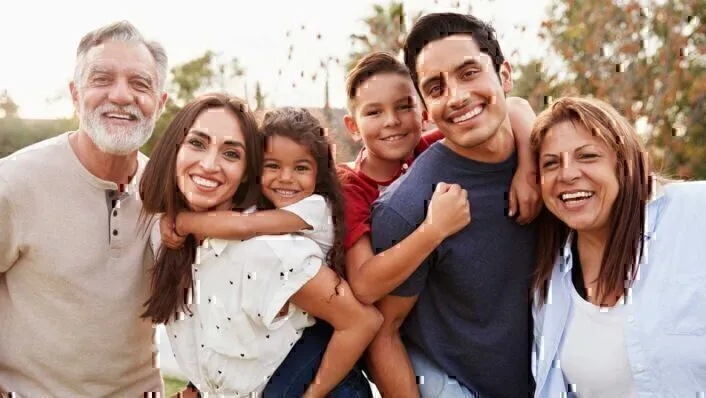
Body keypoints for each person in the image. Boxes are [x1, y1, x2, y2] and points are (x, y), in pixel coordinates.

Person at [140, 95, 382, 397]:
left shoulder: (270, 251)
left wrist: (183, 221)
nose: (210, 164)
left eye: (230, 153)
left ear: (247, 172)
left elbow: (363, 321)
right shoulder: (162, 236)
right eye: (198, 143)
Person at [367, 13, 538, 398]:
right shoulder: (410, 208)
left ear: (504, 75)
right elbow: (383, 331)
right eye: (436, 87)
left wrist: (530, 166)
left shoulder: (553, 163)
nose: (458, 96)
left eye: (468, 73)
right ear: (426, 108)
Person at [0, 21, 168, 396]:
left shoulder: (167, 193)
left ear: (160, 103)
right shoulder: (13, 183)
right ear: (76, 95)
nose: (122, 96)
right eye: (102, 79)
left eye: (140, 84)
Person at [530, 97, 706, 397]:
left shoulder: (695, 213)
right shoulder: (548, 290)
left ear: (622, 162)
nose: (568, 173)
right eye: (551, 163)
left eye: (587, 156)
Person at [338, 51, 540, 305]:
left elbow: (515, 106)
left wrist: (528, 170)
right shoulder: (350, 185)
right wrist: (434, 230)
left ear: (424, 115)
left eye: (404, 107)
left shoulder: (428, 152)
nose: (392, 121)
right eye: (374, 113)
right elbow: (364, 287)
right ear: (353, 127)